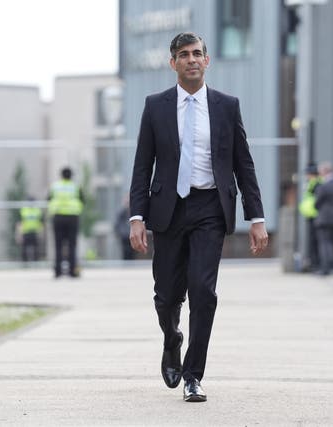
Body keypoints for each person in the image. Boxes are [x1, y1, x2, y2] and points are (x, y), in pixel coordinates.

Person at [129, 32, 268, 402]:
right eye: (184, 55)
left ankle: (193, 374)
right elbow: (143, 165)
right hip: (168, 210)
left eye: (197, 54)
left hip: (210, 209)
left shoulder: (226, 105)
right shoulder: (155, 105)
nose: (191, 59)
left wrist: (256, 217)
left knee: (204, 292)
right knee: (166, 296)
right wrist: (137, 217)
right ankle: (172, 338)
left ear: (207, 61)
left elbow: (244, 164)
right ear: (172, 62)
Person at [48, 167, 84, 278]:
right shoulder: (75, 187)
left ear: (61, 175)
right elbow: (83, 200)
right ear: (71, 176)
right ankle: (72, 271)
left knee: (58, 245)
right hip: (72, 217)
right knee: (72, 245)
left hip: (58, 217)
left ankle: (58, 271)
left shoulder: (55, 186)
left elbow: (49, 199)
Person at [298, 162, 321, 271]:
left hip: (316, 216)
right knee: (312, 241)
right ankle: (314, 263)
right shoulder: (311, 183)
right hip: (311, 215)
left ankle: (316, 265)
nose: (306, 176)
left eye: (308, 174)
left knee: (315, 241)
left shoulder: (317, 184)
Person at [18, 197, 43, 262]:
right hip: (26, 232)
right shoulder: (23, 210)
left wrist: (41, 234)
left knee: (36, 251)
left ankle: (36, 265)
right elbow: (20, 223)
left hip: (35, 232)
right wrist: (19, 234)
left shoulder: (38, 211)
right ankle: (24, 266)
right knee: (24, 251)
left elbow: (41, 224)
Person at [114, 195, 135, 260]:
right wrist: (120, 232)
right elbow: (118, 223)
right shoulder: (122, 212)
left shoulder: (133, 211)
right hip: (124, 236)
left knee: (132, 251)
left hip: (132, 234)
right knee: (125, 251)